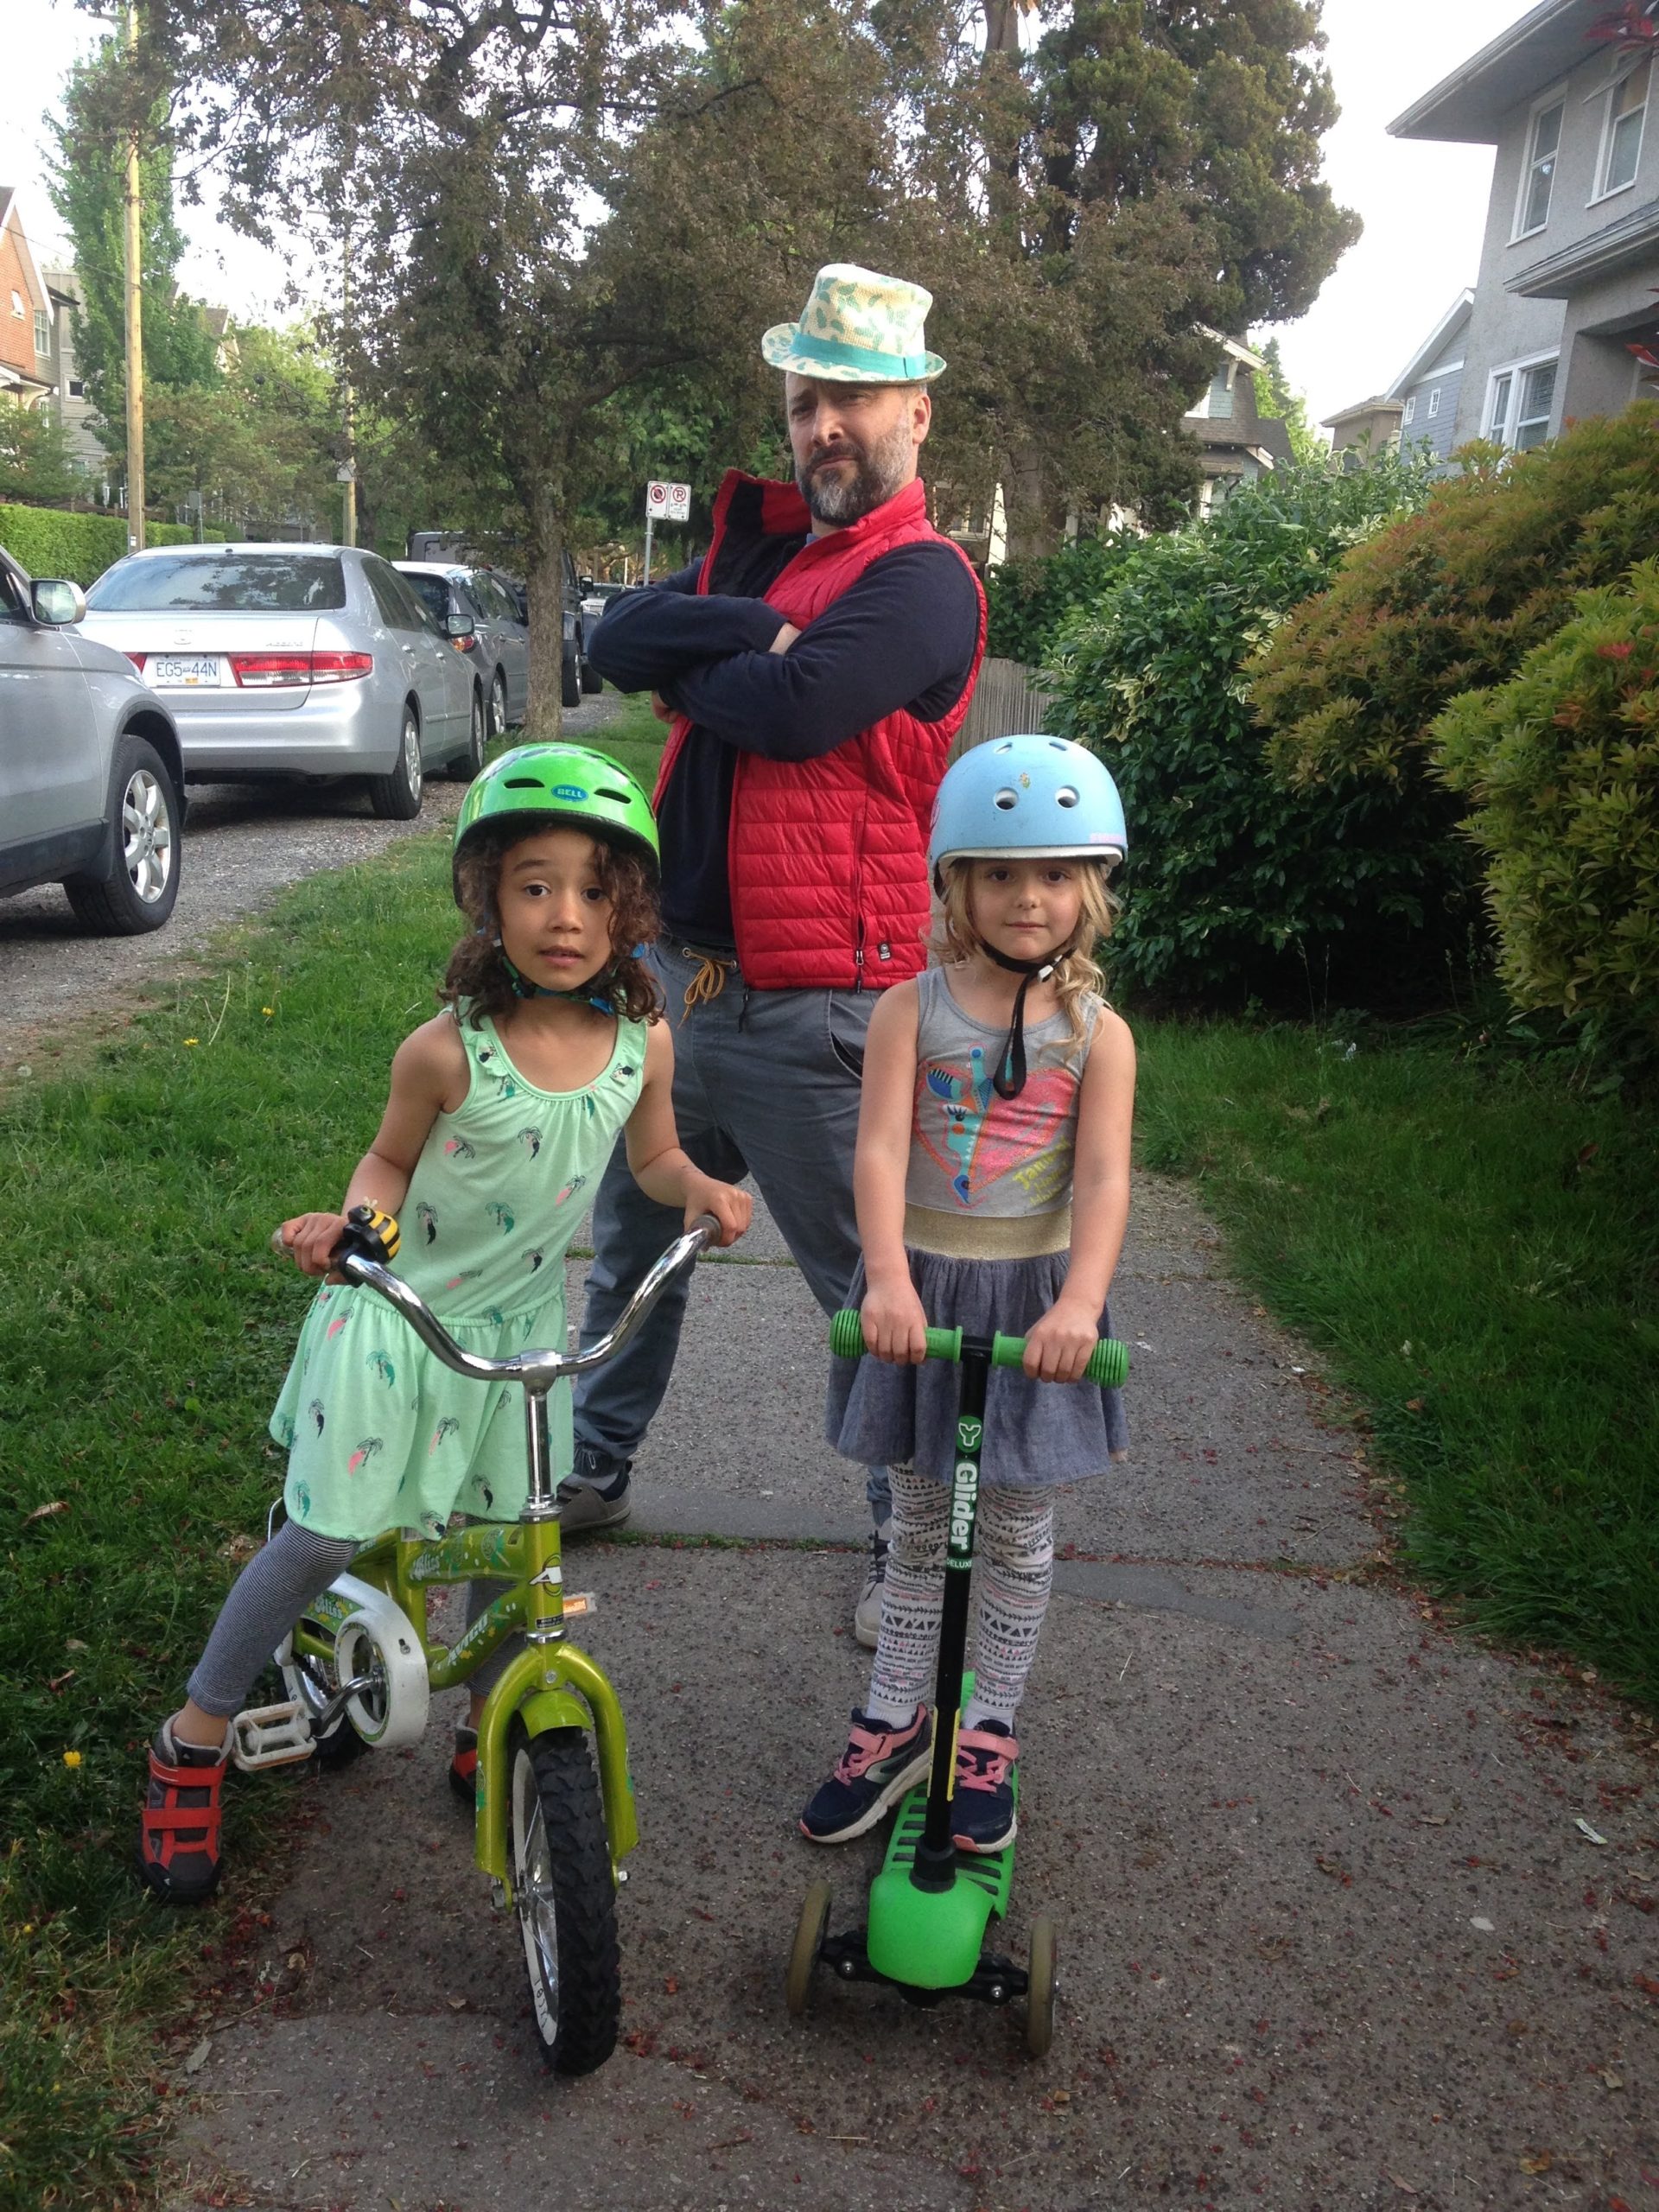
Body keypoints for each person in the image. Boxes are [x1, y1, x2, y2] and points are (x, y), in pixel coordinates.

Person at [137, 745, 752, 1904]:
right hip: (400, 1323)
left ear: (630, 908)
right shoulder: (446, 1051)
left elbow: (655, 1157)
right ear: (488, 899)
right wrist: (359, 1227)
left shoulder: (643, 1044)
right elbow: (387, 1162)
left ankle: (487, 1723)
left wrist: (700, 1189)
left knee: (516, 1539)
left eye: (594, 891)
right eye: (534, 886)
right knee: (324, 1539)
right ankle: (196, 1735)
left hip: (518, 1334)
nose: (564, 917)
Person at [566, 263, 988, 1649]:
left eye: (853, 399)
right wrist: (748, 626)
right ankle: (596, 1469)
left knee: (871, 1296)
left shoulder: (925, 580)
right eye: (807, 402)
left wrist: (709, 666)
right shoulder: (759, 559)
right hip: (680, 987)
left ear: (916, 411)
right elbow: (614, 634)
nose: (824, 427)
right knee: (630, 1247)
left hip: (824, 1010)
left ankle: (907, 1547)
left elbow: (802, 711)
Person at [798, 735, 1134, 1852]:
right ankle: (897, 1713)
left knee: (1019, 1530)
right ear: (956, 885)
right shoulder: (912, 1008)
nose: (1027, 897)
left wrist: (1079, 1305)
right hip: (923, 1292)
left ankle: (988, 1726)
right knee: (916, 1522)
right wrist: (888, 1279)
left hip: (1035, 1299)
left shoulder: (1100, 1036)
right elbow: (879, 1150)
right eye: (999, 872)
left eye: (1053, 875)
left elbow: (1103, 1179)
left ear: (1089, 889)